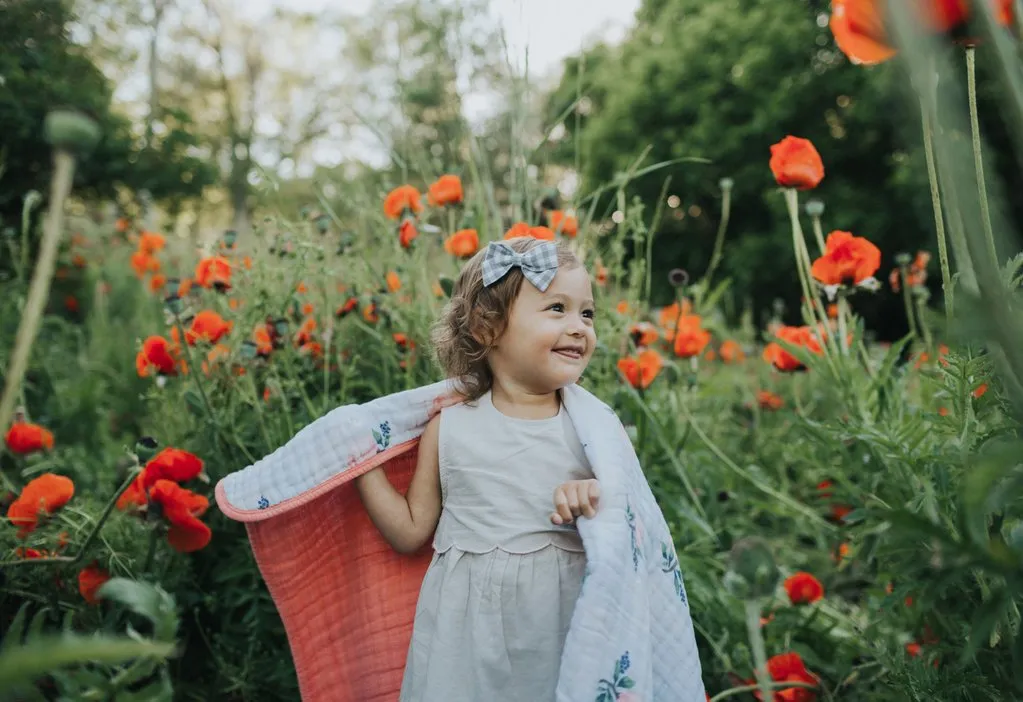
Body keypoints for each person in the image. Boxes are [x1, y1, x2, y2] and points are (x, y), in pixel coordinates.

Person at [355, 236, 602, 701]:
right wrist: (361, 459)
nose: (578, 327)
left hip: (558, 620)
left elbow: (629, 517)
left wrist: (592, 495)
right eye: (557, 309)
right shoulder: (449, 428)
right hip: (465, 630)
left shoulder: (590, 429)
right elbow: (410, 531)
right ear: (488, 328)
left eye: (586, 313)